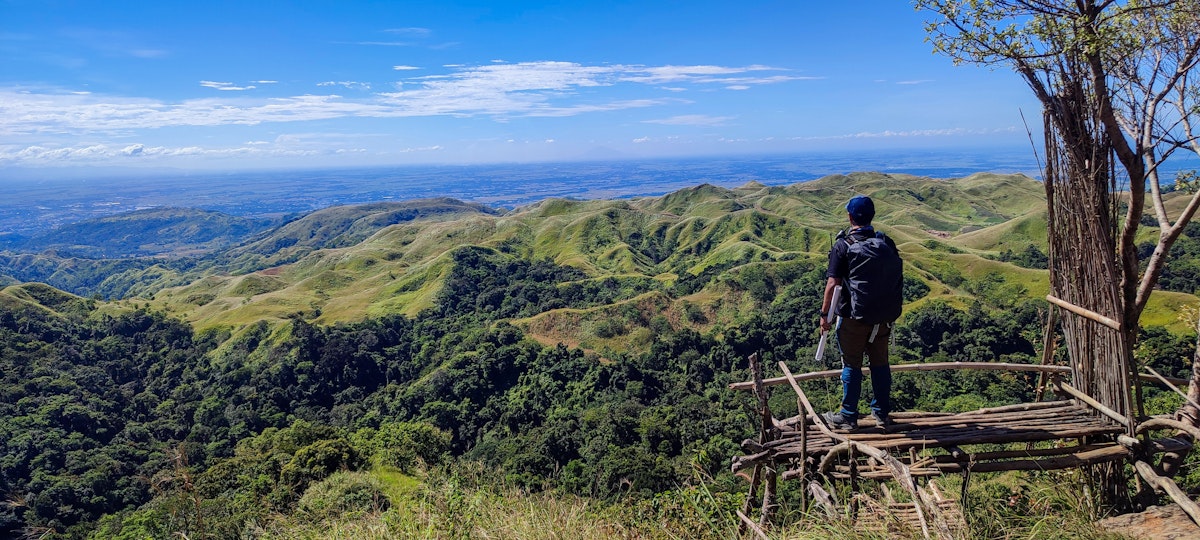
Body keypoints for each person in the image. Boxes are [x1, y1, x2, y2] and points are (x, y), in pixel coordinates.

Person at [819, 195, 903, 431]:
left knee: (851, 365)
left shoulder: (843, 246)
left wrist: (825, 315)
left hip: (852, 318)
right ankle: (882, 414)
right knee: (880, 364)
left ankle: (848, 416)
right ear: (872, 216)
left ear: (850, 216)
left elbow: (833, 284)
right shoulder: (885, 241)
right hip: (883, 318)